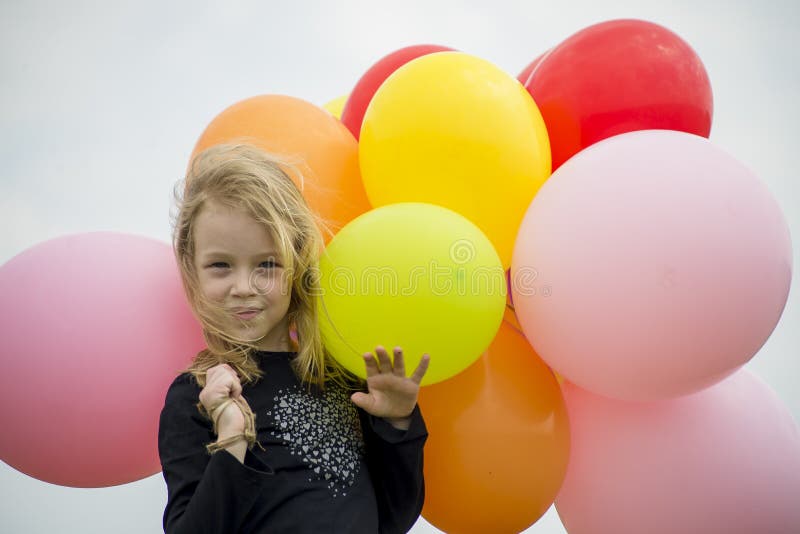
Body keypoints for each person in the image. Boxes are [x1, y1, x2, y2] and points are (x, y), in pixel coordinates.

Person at [158, 143, 431, 533]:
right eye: (220, 265)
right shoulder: (197, 397)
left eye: (266, 264)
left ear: (297, 263)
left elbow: (393, 518)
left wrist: (395, 422)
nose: (243, 287)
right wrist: (233, 439)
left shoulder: (346, 381)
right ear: (191, 268)